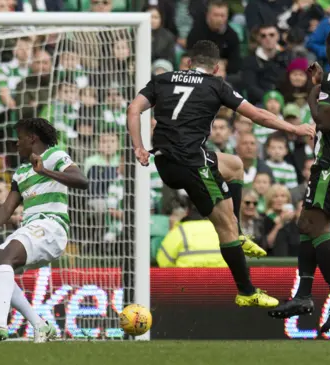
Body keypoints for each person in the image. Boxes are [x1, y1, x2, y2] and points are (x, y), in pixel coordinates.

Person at [127, 40, 315, 308]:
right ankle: (247, 291)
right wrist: (294, 129)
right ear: (216, 68)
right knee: (224, 227)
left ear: (189, 62)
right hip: (193, 165)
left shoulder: (163, 79)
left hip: (165, 164)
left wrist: (139, 147)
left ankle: (238, 234)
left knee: (235, 165)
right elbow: (259, 115)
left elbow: (134, 109)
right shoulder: (216, 85)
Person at [268, 26, 330, 333]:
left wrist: (313, 92)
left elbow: (324, 121)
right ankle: (304, 295)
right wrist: (325, 82)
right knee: (306, 224)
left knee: (316, 225)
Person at [0, 117, 89, 342]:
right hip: (33, 227)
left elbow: (81, 180)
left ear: (32, 138)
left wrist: (45, 172)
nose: (16, 143)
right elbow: (8, 205)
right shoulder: (21, 172)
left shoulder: (55, 155)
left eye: (19, 138)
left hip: (52, 226)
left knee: (4, 257)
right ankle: (40, 325)